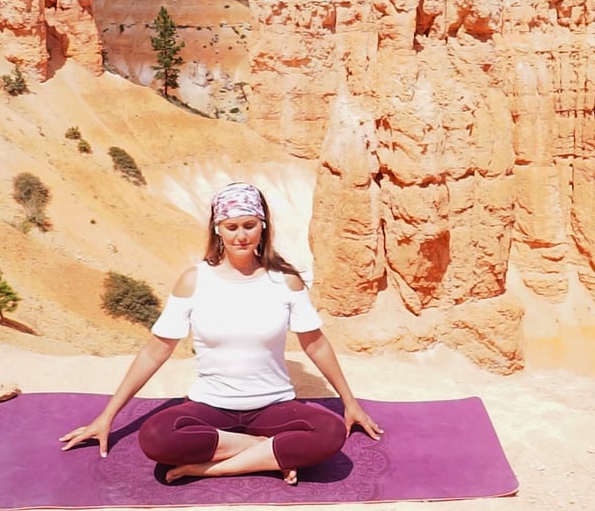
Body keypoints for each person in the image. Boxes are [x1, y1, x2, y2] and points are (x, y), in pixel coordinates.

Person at [60, 181, 382, 485]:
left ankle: (210, 470)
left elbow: (315, 344)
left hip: (273, 405)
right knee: (156, 436)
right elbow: (155, 350)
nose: (241, 236)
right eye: (231, 227)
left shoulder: (285, 282)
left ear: (263, 226)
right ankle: (265, 449)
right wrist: (107, 417)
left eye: (249, 225)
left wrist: (349, 403)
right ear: (218, 229)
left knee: (329, 433)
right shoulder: (194, 281)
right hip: (210, 405)